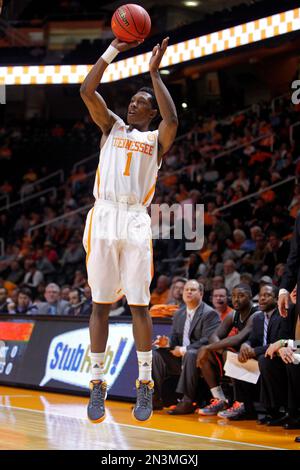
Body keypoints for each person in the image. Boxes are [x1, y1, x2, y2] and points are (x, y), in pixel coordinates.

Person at [80, 36, 178, 423]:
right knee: (100, 304)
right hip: (103, 215)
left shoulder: (156, 139)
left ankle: (143, 384)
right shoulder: (112, 126)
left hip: (136, 218)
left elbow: (173, 120)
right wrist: (113, 51)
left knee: (139, 303)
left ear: (150, 112)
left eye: (140, 103)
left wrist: (154, 73)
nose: (132, 104)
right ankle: (97, 383)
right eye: (132, 100)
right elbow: (87, 90)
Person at [152, 280, 220, 414]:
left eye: (193, 290)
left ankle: (188, 401)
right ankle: (155, 398)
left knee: (191, 354)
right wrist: (167, 343)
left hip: (201, 359)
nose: (188, 292)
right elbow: (176, 339)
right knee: (155, 354)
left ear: (201, 294)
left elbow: (208, 340)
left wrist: (183, 350)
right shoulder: (179, 313)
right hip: (181, 358)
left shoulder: (209, 313)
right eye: (186, 289)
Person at [218, 284, 282, 420]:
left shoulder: (281, 316)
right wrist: (245, 346)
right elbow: (252, 339)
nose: (262, 298)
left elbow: (278, 342)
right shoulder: (259, 318)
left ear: (277, 300)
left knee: (263, 361)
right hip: (260, 356)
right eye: (261, 295)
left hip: (276, 357)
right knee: (236, 358)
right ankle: (246, 408)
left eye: (267, 295)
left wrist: (254, 351)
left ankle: (274, 411)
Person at [196, 284, 260, 416]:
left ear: (250, 297)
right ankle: (220, 399)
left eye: (241, 296)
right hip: (238, 356)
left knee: (228, 354)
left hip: (256, 357)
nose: (236, 299)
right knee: (207, 356)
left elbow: (238, 338)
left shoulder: (256, 314)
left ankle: (241, 403)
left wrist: (208, 347)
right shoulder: (234, 314)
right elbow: (215, 335)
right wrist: (218, 350)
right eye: (234, 296)